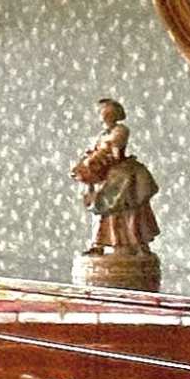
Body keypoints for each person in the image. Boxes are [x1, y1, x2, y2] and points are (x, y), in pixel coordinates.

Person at [71, 97, 159, 262]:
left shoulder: (120, 131)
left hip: (122, 172)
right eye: (102, 113)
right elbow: (94, 151)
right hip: (104, 171)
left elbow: (115, 153)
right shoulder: (102, 134)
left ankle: (137, 244)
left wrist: (97, 159)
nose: (103, 116)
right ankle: (99, 243)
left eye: (106, 113)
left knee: (126, 207)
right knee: (101, 206)